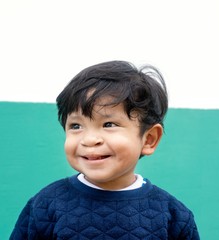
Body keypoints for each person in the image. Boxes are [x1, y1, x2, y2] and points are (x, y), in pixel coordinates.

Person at [10, 60, 200, 239]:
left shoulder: (173, 215)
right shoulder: (45, 205)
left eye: (109, 124)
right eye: (76, 126)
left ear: (148, 139)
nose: (90, 140)